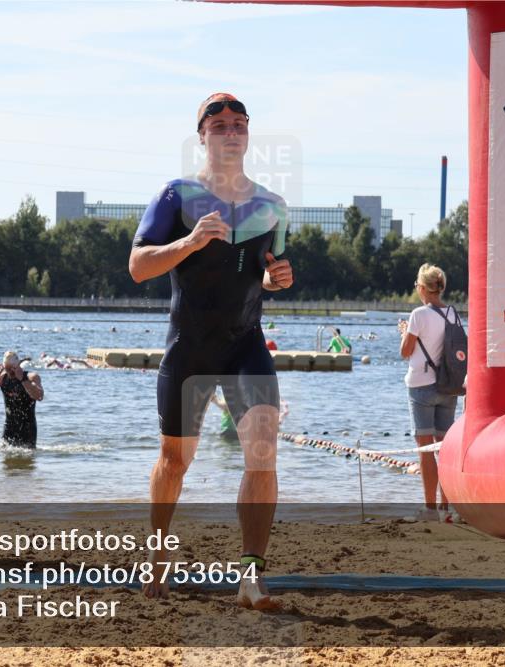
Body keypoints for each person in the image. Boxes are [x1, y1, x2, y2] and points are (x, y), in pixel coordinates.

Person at [128, 92, 293, 610]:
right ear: (201, 134)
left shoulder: (272, 206)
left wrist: (276, 277)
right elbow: (137, 266)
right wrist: (190, 243)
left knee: (263, 451)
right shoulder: (176, 196)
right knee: (175, 460)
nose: (231, 131)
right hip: (189, 347)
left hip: (246, 344)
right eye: (219, 124)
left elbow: (268, 269)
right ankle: (157, 554)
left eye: (239, 124)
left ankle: (251, 576)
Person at [398, 263, 458, 521]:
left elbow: (405, 351)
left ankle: (429, 508)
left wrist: (404, 333)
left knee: (425, 449)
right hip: (448, 385)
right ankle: (446, 507)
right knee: (445, 448)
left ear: (422, 288)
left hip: (421, 385)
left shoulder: (418, 315)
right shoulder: (453, 314)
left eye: (416, 286)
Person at [0, 350, 44, 448]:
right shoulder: (2, 378)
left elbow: (39, 396)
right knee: (6, 459)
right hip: (9, 427)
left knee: (27, 460)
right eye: (7, 369)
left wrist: (22, 379)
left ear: (18, 365)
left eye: (12, 369)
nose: (10, 372)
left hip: (28, 428)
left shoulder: (31, 377)